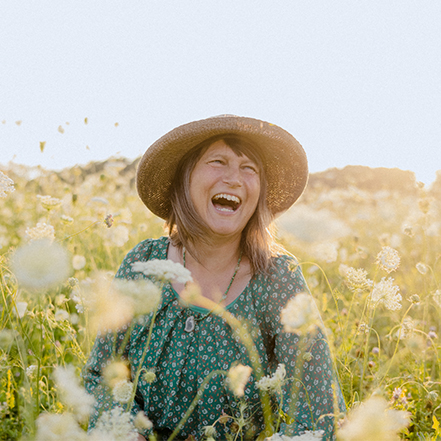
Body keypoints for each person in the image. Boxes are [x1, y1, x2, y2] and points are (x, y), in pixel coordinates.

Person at [82, 115, 345, 440]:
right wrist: (124, 429)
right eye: (218, 162)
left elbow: (319, 407)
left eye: (250, 168)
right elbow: (99, 375)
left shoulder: (278, 277)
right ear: (184, 180)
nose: (234, 179)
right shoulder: (143, 263)